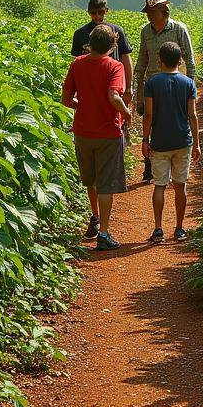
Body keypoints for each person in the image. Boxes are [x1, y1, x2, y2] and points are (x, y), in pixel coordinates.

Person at [61, 24, 133, 250]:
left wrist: (82, 107)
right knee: (106, 183)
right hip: (108, 133)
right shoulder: (115, 66)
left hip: (83, 131)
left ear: (90, 42)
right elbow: (113, 95)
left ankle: (94, 216)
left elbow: (65, 99)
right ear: (113, 45)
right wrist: (126, 112)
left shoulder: (77, 63)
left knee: (90, 180)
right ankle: (103, 232)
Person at [142, 41, 201, 242]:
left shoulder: (152, 82)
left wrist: (145, 139)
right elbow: (192, 115)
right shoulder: (188, 83)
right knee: (180, 185)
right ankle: (179, 228)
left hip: (160, 142)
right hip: (183, 141)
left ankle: (158, 229)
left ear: (160, 60)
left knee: (159, 185)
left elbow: (148, 114)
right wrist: (197, 143)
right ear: (180, 60)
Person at [134, 0, 196, 182]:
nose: (149, 17)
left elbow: (189, 59)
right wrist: (138, 90)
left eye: (153, 13)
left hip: (176, 84)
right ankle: (149, 168)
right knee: (151, 121)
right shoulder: (145, 32)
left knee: (174, 120)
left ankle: (173, 164)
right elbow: (142, 60)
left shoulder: (179, 29)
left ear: (164, 13)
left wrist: (190, 85)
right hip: (152, 84)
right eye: (148, 13)